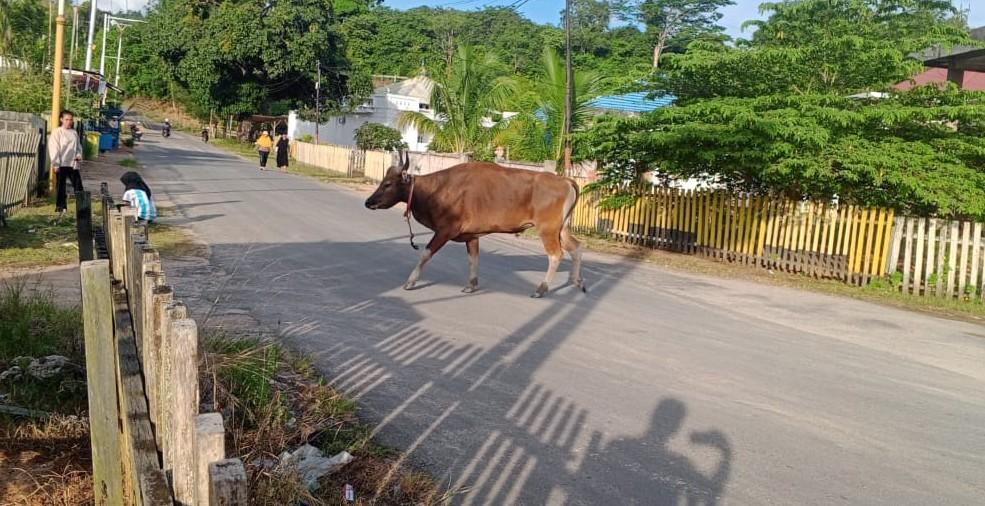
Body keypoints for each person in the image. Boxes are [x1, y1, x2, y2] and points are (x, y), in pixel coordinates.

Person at [48, 110, 84, 218]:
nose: (69, 122)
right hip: (61, 164)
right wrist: (56, 164)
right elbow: (54, 148)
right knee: (61, 187)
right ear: (61, 120)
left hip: (73, 163)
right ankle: (60, 207)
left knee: (78, 186)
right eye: (66, 119)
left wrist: (79, 155)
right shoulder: (57, 132)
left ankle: (82, 207)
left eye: (71, 120)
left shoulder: (74, 133)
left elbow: (78, 147)